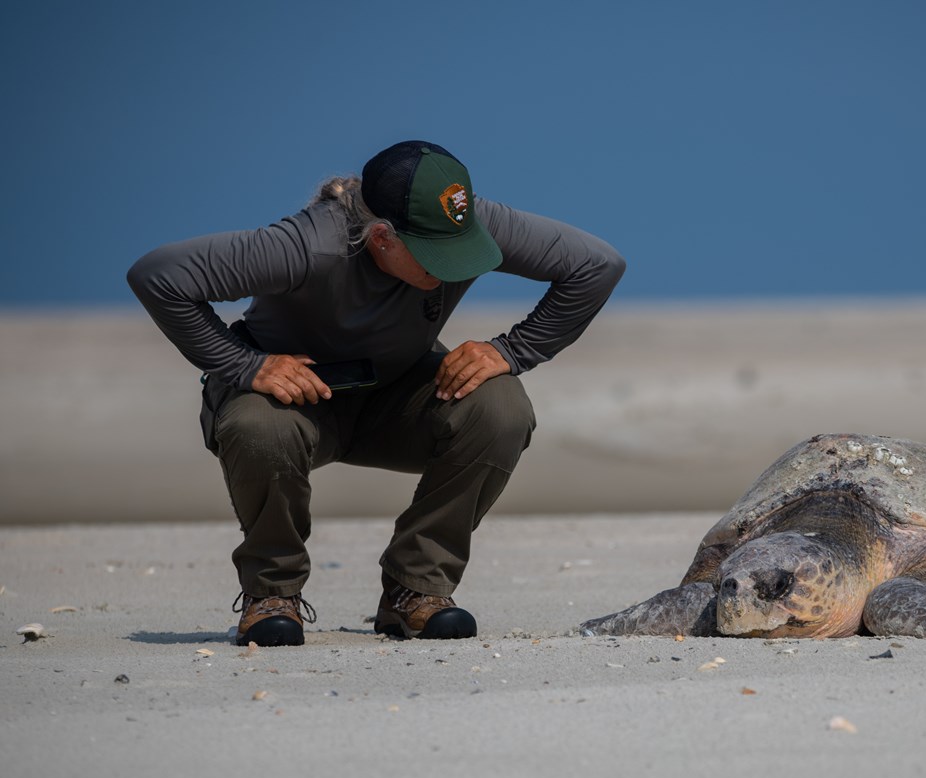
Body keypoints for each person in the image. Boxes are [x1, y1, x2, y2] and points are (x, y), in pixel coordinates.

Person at [128, 141, 625, 646]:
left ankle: (417, 589)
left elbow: (596, 265)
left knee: (500, 405)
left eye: (461, 247)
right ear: (382, 237)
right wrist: (244, 365)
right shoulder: (308, 244)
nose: (453, 269)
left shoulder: (467, 220)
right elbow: (160, 276)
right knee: (259, 426)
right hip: (290, 401)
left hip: (395, 396)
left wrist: (512, 350)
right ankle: (271, 595)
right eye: (436, 257)